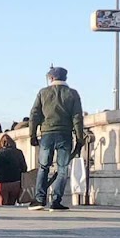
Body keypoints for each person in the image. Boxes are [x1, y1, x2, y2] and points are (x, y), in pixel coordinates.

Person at [27, 65, 84, 211]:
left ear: (51, 78)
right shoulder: (72, 94)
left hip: (47, 134)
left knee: (43, 167)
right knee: (63, 168)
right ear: (65, 78)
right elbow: (77, 117)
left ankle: (40, 199)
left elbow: (34, 114)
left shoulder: (43, 93)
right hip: (65, 135)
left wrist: (32, 134)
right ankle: (56, 201)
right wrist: (79, 137)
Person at [0, 133, 27, 205]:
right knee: (12, 204)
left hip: (2, 183)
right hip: (16, 182)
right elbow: (24, 168)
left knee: (2, 204)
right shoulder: (19, 152)